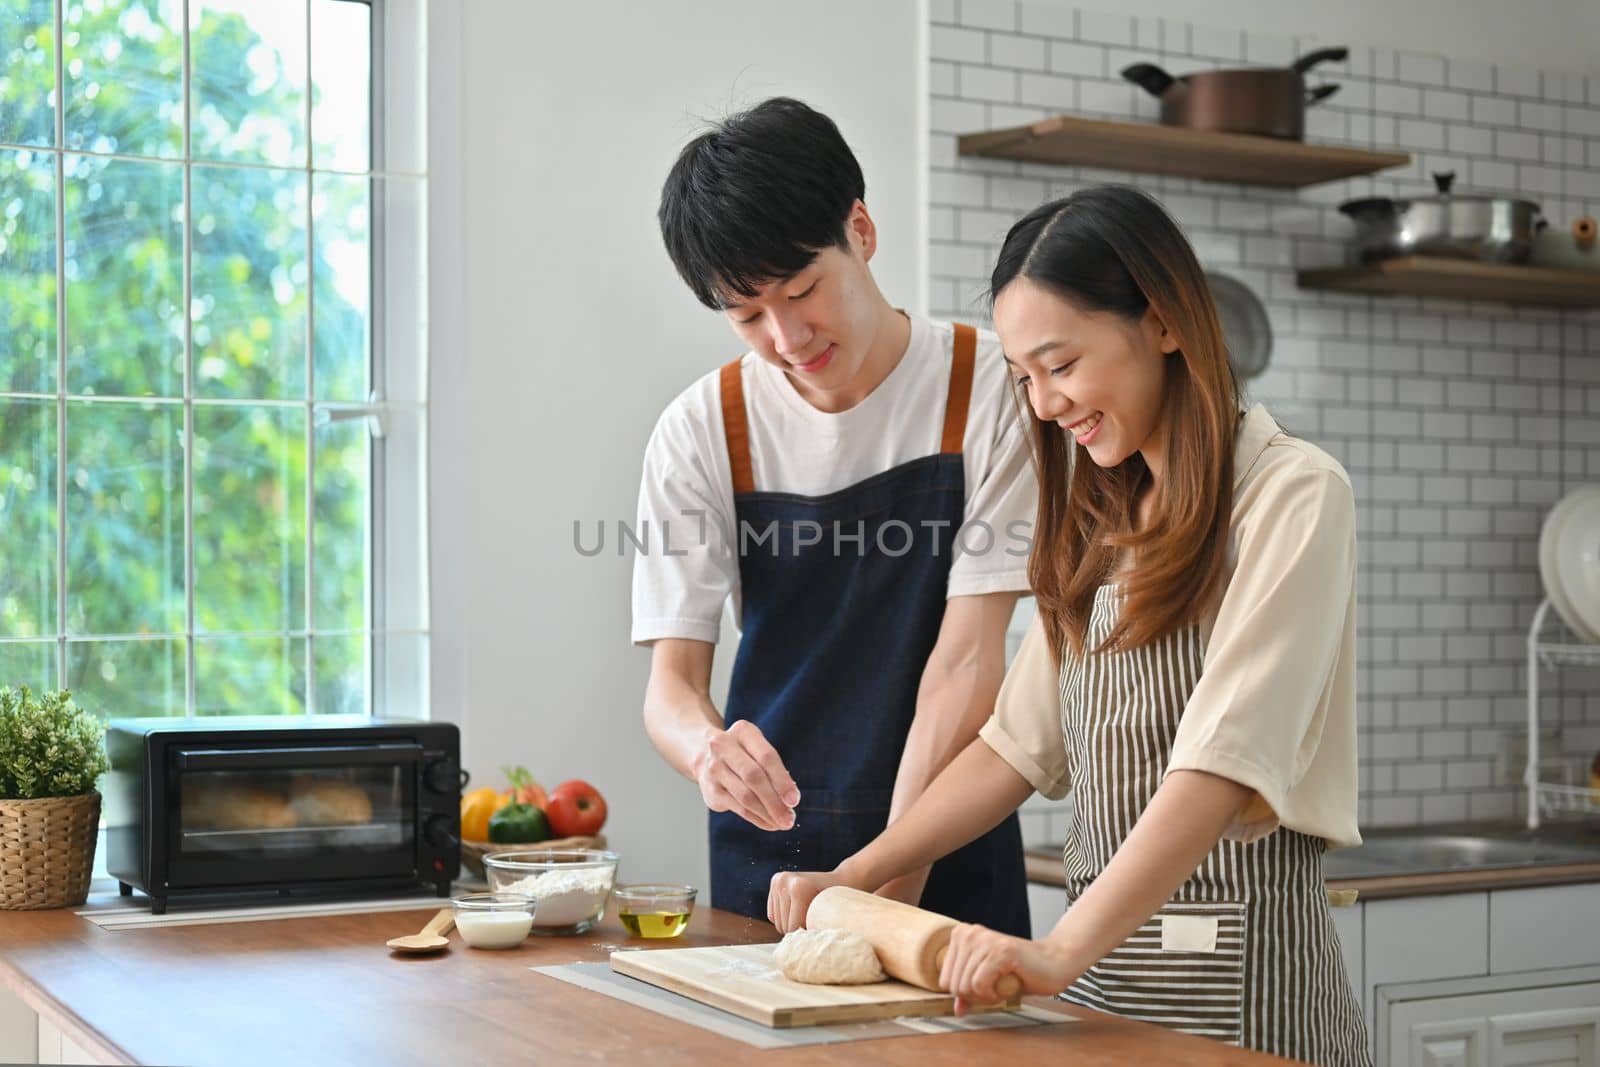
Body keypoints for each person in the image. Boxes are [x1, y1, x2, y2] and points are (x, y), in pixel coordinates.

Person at [768, 185, 1372, 1067]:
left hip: (1238, 991)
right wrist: (859, 873)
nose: (1044, 404)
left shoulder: (1292, 495)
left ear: (1163, 321)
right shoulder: (1101, 528)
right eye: (1024, 378)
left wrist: (1055, 950)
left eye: (1061, 364)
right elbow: (1010, 750)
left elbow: (1220, 761)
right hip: (1100, 987)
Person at [633, 97, 1036, 935]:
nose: (785, 336)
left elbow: (965, 663)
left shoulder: (989, 391)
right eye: (747, 315)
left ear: (861, 229)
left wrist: (886, 882)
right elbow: (671, 689)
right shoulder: (704, 428)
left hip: (949, 835)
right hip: (770, 854)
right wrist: (709, 751)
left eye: (803, 289)